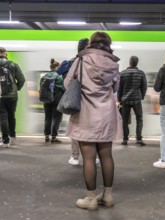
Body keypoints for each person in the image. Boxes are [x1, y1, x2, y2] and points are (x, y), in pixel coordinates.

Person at [64, 32, 122, 211]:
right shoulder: (113, 63)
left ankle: (91, 199)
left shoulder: (81, 60)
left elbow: (68, 84)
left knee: (89, 157)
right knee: (106, 156)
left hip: (86, 115)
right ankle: (108, 196)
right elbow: (115, 88)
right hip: (106, 115)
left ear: (91, 42)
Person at [117, 56, 147, 146]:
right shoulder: (141, 73)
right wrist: (141, 96)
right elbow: (144, 86)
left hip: (125, 100)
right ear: (137, 63)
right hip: (136, 99)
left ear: (129, 62)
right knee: (139, 119)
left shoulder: (122, 73)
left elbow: (119, 88)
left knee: (124, 120)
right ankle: (138, 139)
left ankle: (125, 139)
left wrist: (119, 99)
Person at [0, 47, 25, 147]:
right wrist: (16, 88)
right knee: (11, 116)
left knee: (3, 117)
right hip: (12, 95)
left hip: (0, 95)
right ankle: (13, 138)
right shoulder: (13, 64)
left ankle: (5, 141)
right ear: (5, 53)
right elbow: (22, 79)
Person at [43, 58, 64, 143]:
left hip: (46, 99)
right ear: (58, 67)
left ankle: (46, 136)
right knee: (57, 118)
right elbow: (63, 88)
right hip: (57, 99)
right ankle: (54, 137)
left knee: (48, 118)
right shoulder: (59, 76)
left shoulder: (45, 76)